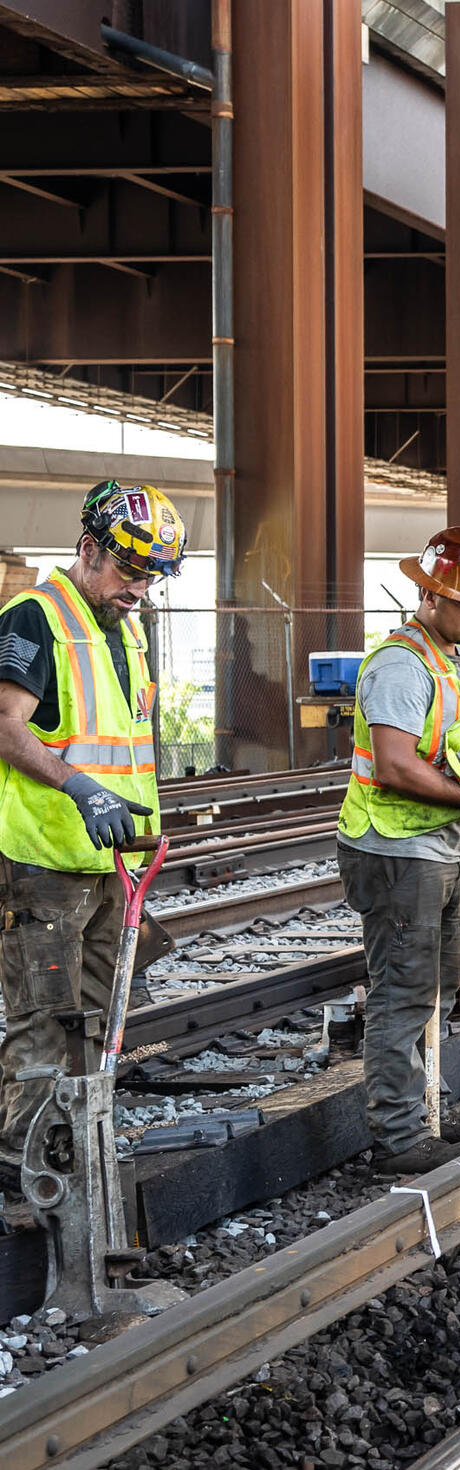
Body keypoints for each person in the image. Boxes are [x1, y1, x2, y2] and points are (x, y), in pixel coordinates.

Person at [0, 482, 187, 1183]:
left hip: (112, 862)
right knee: (44, 1025)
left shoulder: (125, 626)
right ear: (89, 549)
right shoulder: (34, 618)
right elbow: (4, 725)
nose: (139, 587)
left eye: (150, 575)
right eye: (130, 569)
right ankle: (22, 1168)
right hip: (44, 863)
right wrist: (76, 786)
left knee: (100, 1019)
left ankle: (73, 1153)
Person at [337, 528, 460, 1177]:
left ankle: (429, 1117)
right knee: (404, 994)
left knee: (436, 992)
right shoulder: (401, 664)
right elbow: (394, 765)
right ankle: (398, 1141)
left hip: (433, 849)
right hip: (396, 849)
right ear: (429, 594)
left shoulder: (455, 656)